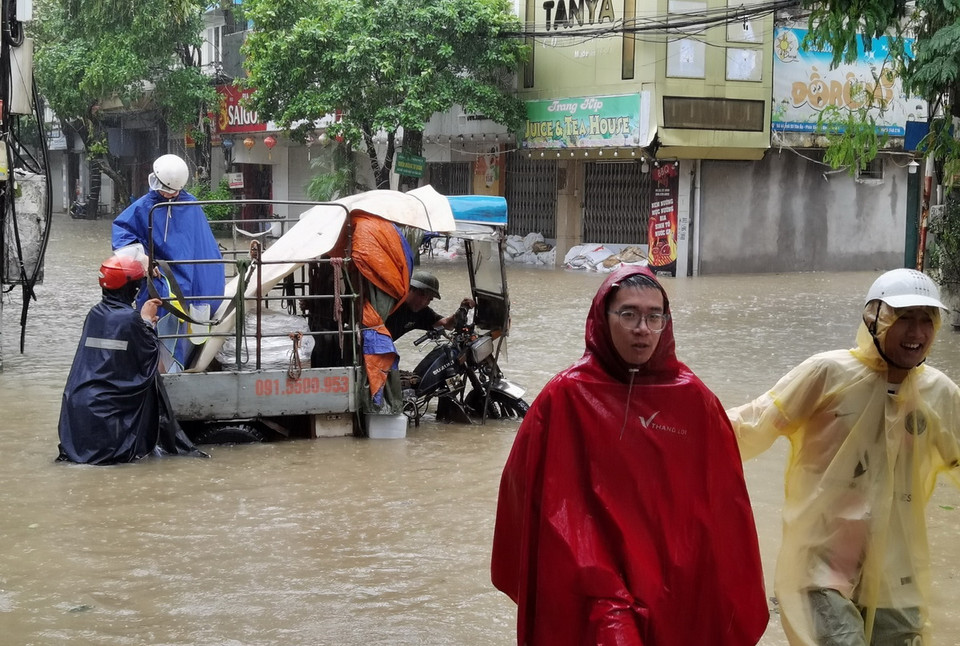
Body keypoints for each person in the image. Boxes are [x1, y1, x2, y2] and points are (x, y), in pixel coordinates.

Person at [491, 265, 769, 645]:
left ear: (666, 323)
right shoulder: (564, 397)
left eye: (654, 316)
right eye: (629, 314)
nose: (642, 328)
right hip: (594, 580)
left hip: (671, 576)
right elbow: (522, 495)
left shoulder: (694, 400)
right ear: (602, 319)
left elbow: (724, 504)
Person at [727, 268, 960, 645]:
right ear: (874, 318)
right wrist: (671, 428)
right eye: (904, 319)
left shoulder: (939, 394)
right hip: (823, 566)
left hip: (895, 574)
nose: (917, 333)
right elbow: (751, 424)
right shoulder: (828, 374)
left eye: (926, 320)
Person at [57, 256, 207, 465]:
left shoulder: (95, 314)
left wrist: (142, 322)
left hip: (78, 405)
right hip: (107, 413)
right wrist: (146, 321)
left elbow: (118, 355)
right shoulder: (129, 319)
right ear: (132, 288)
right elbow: (149, 356)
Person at [112, 154, 224, 370]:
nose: (167, 194)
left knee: (187, 331)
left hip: (194, 283)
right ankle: (166, 372)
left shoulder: (190, 206)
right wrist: (142, 257)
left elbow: (204, 250)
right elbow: (122, 235)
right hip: (160, 281)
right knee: (160, 331)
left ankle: (175, 372)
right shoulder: (144, 207)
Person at [384, 270, 474, 341]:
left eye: (429, 299)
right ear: (409, 289)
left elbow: (446, 324)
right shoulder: (389, 302)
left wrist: (461, 310)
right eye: (421, 294)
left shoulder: (421, 312)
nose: (423, 302)